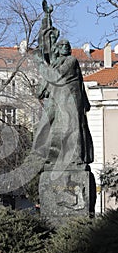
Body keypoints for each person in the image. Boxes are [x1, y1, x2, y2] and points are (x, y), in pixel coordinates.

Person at [32, 38, 94, 170]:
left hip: (71, 97)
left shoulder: (71, 60)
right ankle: (54, 157)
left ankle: (75, 158)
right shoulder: (56, 62)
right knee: (54, 127)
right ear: (58, 49)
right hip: (58, 98)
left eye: (67, 45)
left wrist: (40, 64)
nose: (65, 47)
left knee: (72, 126)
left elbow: (56, 75)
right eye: (62, 45)